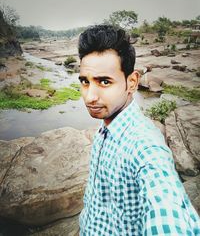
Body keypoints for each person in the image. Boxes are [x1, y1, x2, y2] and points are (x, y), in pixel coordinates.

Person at [78, 24, 200, 235]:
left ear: (132, 82)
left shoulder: (145, 146)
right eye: (85, 82)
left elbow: (167, 211)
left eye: (104, 82)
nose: (90, 97)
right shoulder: (106, 128)